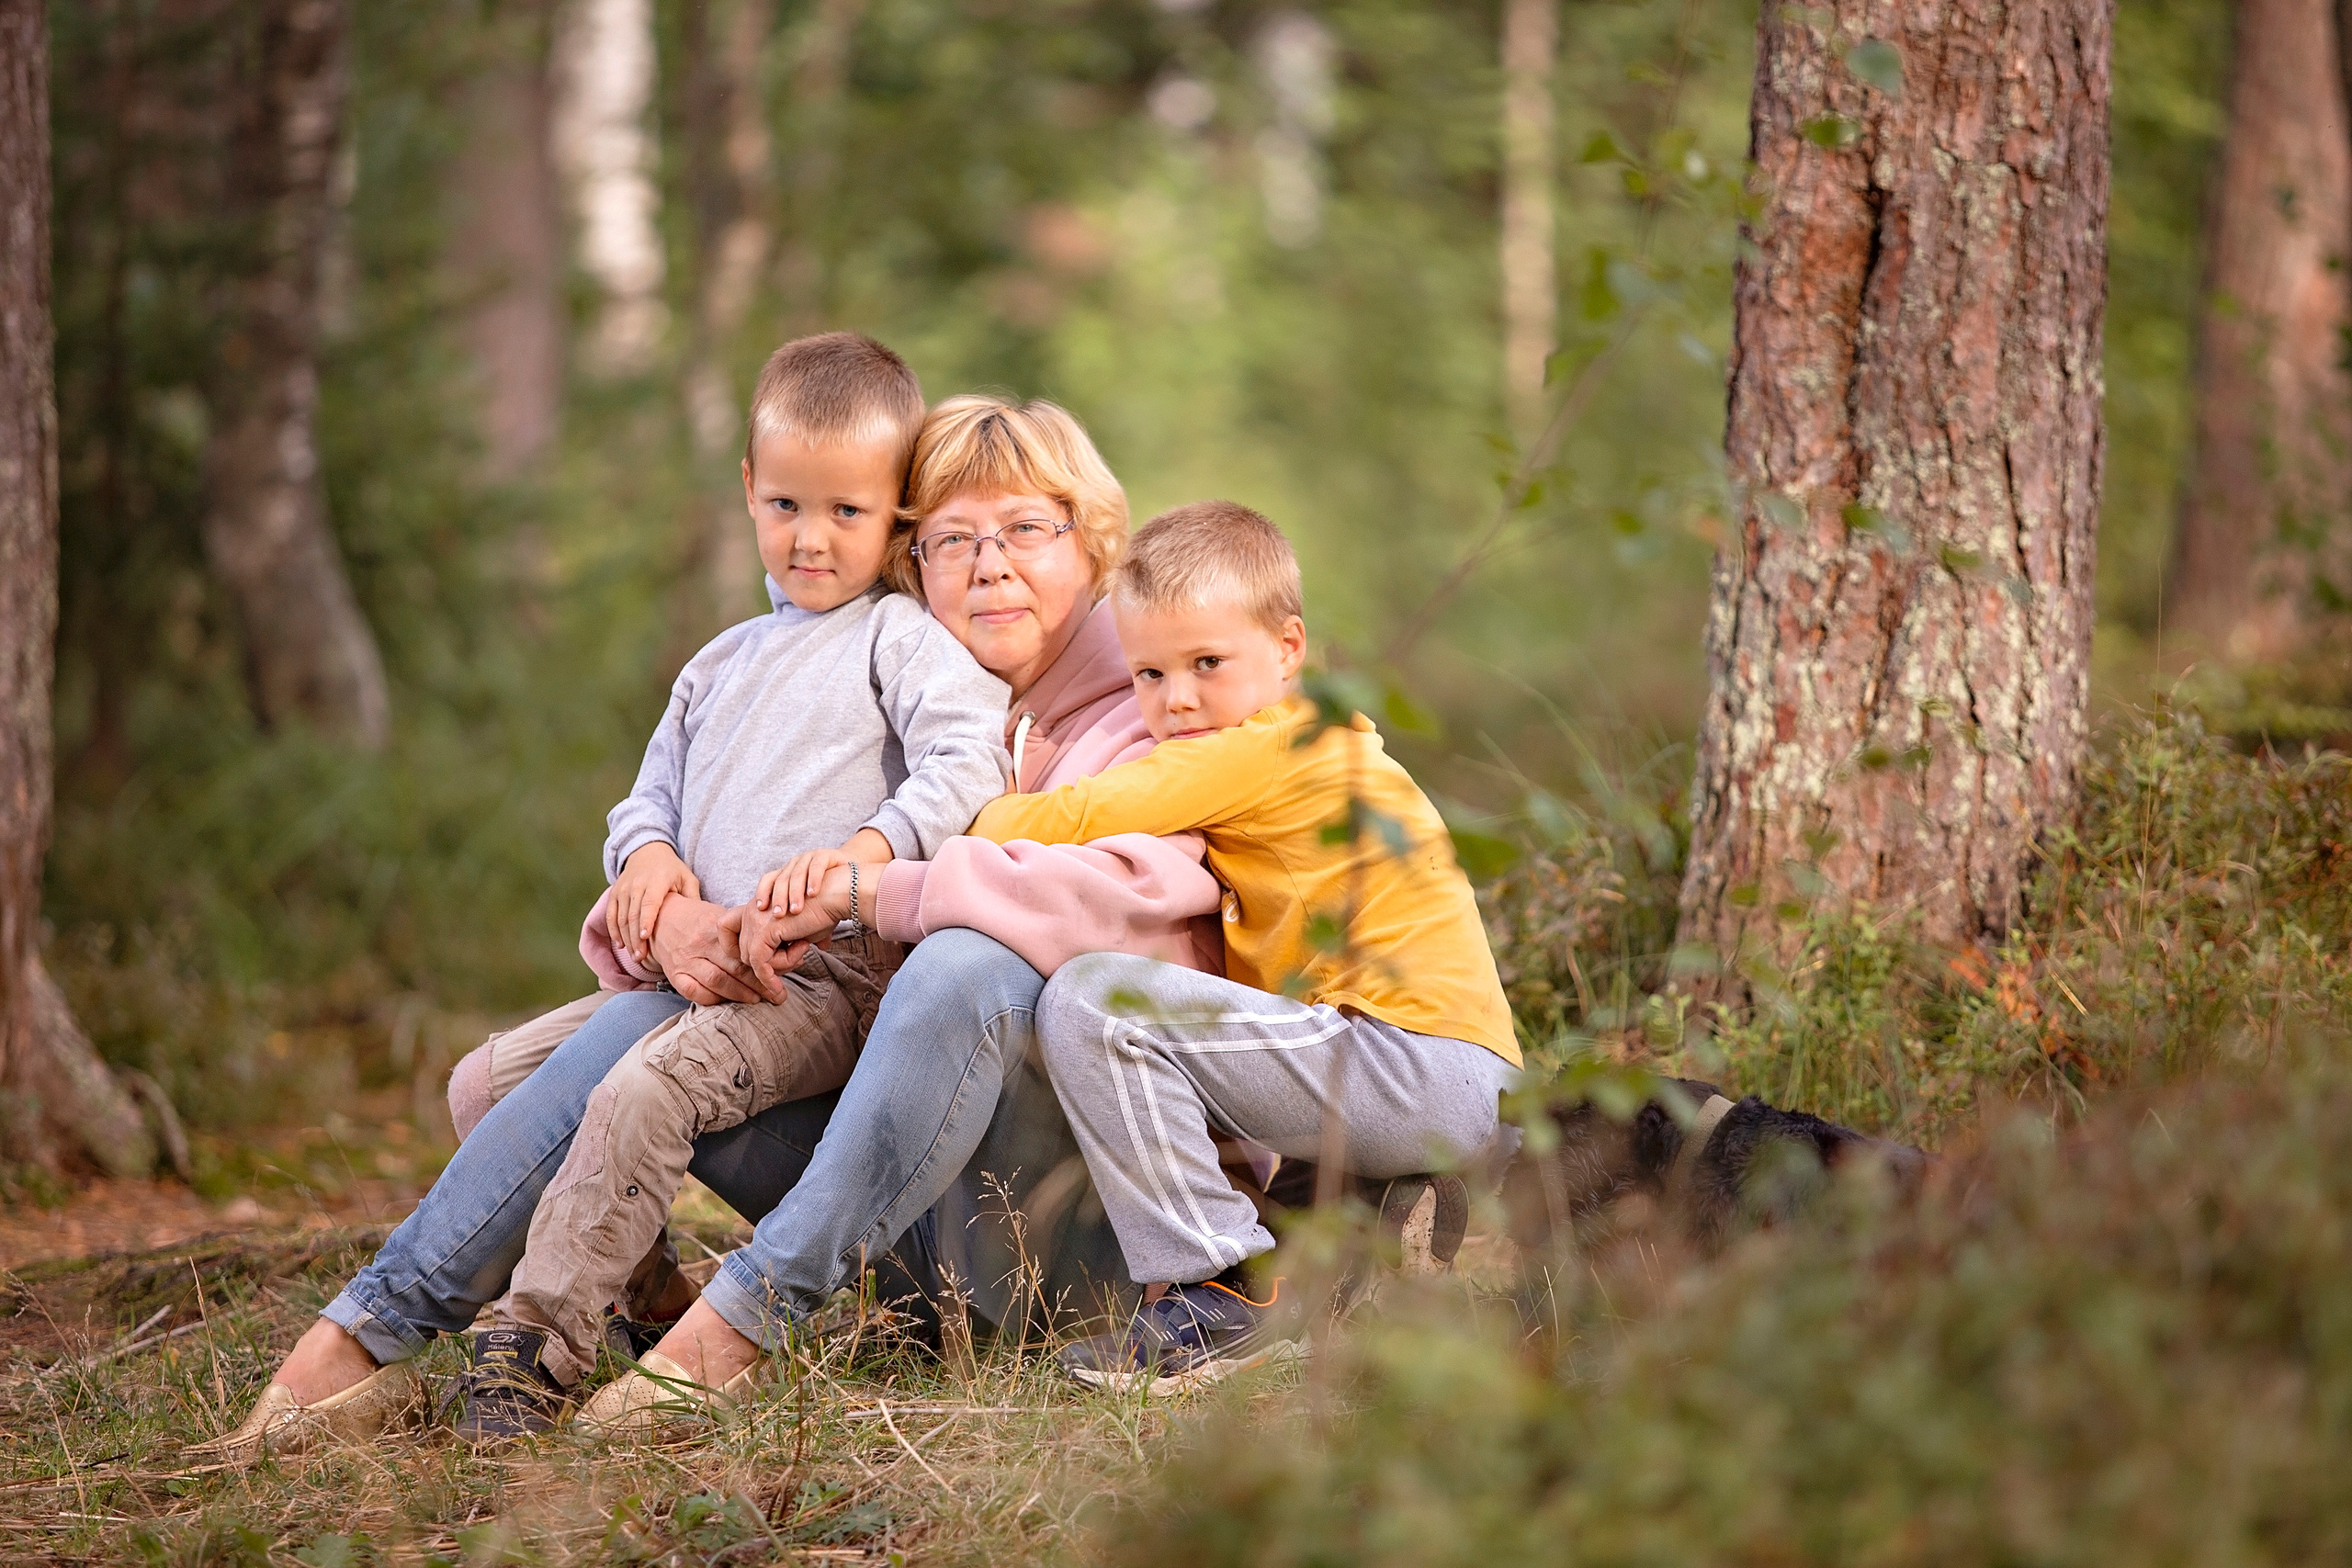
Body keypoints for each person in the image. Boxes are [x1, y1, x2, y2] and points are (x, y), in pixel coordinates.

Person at [193, 392, 1221, 1457]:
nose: (989, 566)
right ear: (909, 557)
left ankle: (728, 1331)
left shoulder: (1162, 700)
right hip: (907, 1231)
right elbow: (726, 819)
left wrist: (872, 890)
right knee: (524, 1074)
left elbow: (1129, 918)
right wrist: (675, 916)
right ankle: (391, 1335)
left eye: (1026, 529)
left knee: (965, 964)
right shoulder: (911, 689)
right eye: (952, 540)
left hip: (1067, 1244)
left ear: (1094, 540)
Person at [977, 501, 1522, 1393]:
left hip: (1413, 1064)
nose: (1178, 699)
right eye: (1148, 673)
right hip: (1444, 1070)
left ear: (1288, 647)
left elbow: (1073, 814)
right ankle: (1332, 1256)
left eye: (1207, 663)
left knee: (1095, 1002)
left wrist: (940, 819)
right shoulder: (1322, 739)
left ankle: (1217, 1293)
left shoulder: (1255, 750)